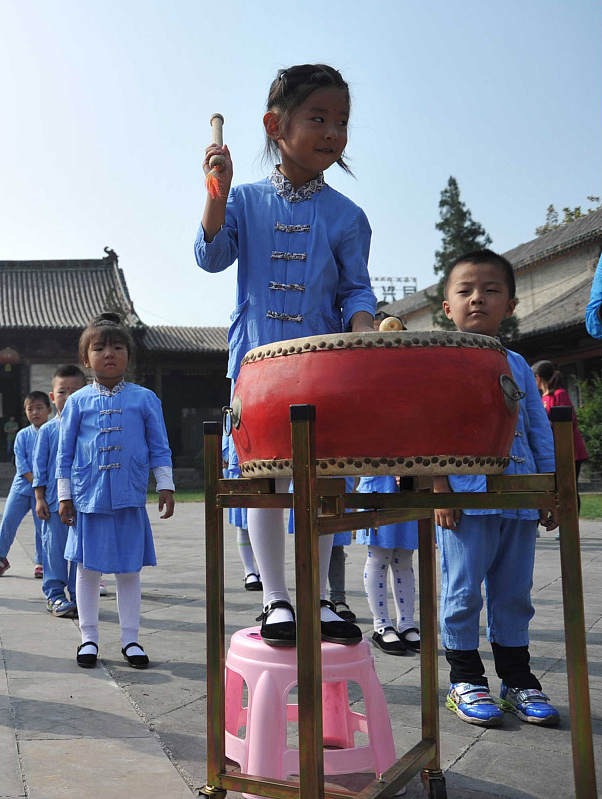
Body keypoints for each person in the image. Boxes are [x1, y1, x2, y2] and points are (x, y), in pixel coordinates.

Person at [194, 63, 375, 647]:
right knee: (265, 480)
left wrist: (366, 325)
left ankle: (319, 596)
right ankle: (276, 598)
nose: (332, 132)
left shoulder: (349, 216)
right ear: (275, 125)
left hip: (324, 366)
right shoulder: (245, 200)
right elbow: (211, 256)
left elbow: (356, 289)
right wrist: (215, 196)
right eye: (317, 118)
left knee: (322, 481)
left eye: (341, 121)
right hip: (258, 367)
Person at [435, 250, 560, 728]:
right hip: (465, 501)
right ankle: (465, 679)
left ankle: (518, 680)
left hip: (518, 500)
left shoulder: (519, 363)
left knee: (513, 593)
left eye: (490, 290)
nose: (477, 299)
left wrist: (547, 489)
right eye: (464, 291)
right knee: (463, 590)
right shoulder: (440, 360)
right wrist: (439, 486)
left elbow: (538, 429)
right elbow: (429, 428)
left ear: (510, 303)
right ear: (447, 306)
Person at [57, 314, 174, 669]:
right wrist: (64, 494)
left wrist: (165, 484)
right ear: (85, 358)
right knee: (86, 570)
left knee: (128, 571)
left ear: (128, 355)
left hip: (129, 494)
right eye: (99, 347)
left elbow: (159, 444)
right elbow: (65, 452)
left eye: (118, 347)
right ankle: (88, 638)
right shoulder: (76, 402)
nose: (109, 353)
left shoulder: (145, 398)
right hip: (87, 496)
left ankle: (131, 639)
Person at [34, 365, 88, 617]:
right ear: (52, 396)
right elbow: (39, 466)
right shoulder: (47, 430)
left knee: (81, 550)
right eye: (62, 391)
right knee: (53, 549)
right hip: (54, 502)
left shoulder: (89, 427)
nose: (68, 397)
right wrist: (39, 498)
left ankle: (80, 594)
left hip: (84, 501)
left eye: (75, 391)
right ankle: (54, 595)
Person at [0, 392, 51, 578]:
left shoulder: (55, 432)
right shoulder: (22, 435)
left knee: (42, 527)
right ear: (25, 412)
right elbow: (21, 463)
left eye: (39, 408)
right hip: (22, 487)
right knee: (8, 520)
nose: (35, 412)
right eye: (30, 409)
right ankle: (1, 558)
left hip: (46, 490)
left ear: (49, 409)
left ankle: (40, 562)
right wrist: (36, 482)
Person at [355, 476, 418, 655]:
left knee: (405, 557)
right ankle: (381, 625)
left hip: (407, 485)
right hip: (379, 482)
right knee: (379, 556)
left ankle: (407, 624)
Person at [531, 360, 588, 513]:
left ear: (537, 378)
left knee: (569, 488)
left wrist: (547, 426)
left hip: (570, 449)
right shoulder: (543, 398)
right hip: (554, 449)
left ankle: (571, 524)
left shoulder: (559, 394)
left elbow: (570, 421)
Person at [223, 437, 260, 592]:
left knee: (264, 523)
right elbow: (226, 448)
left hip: (261, 467)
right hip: (239, 471)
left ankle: (264, 570)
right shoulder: (231, 413)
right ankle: (249, 570)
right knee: (243, 523)